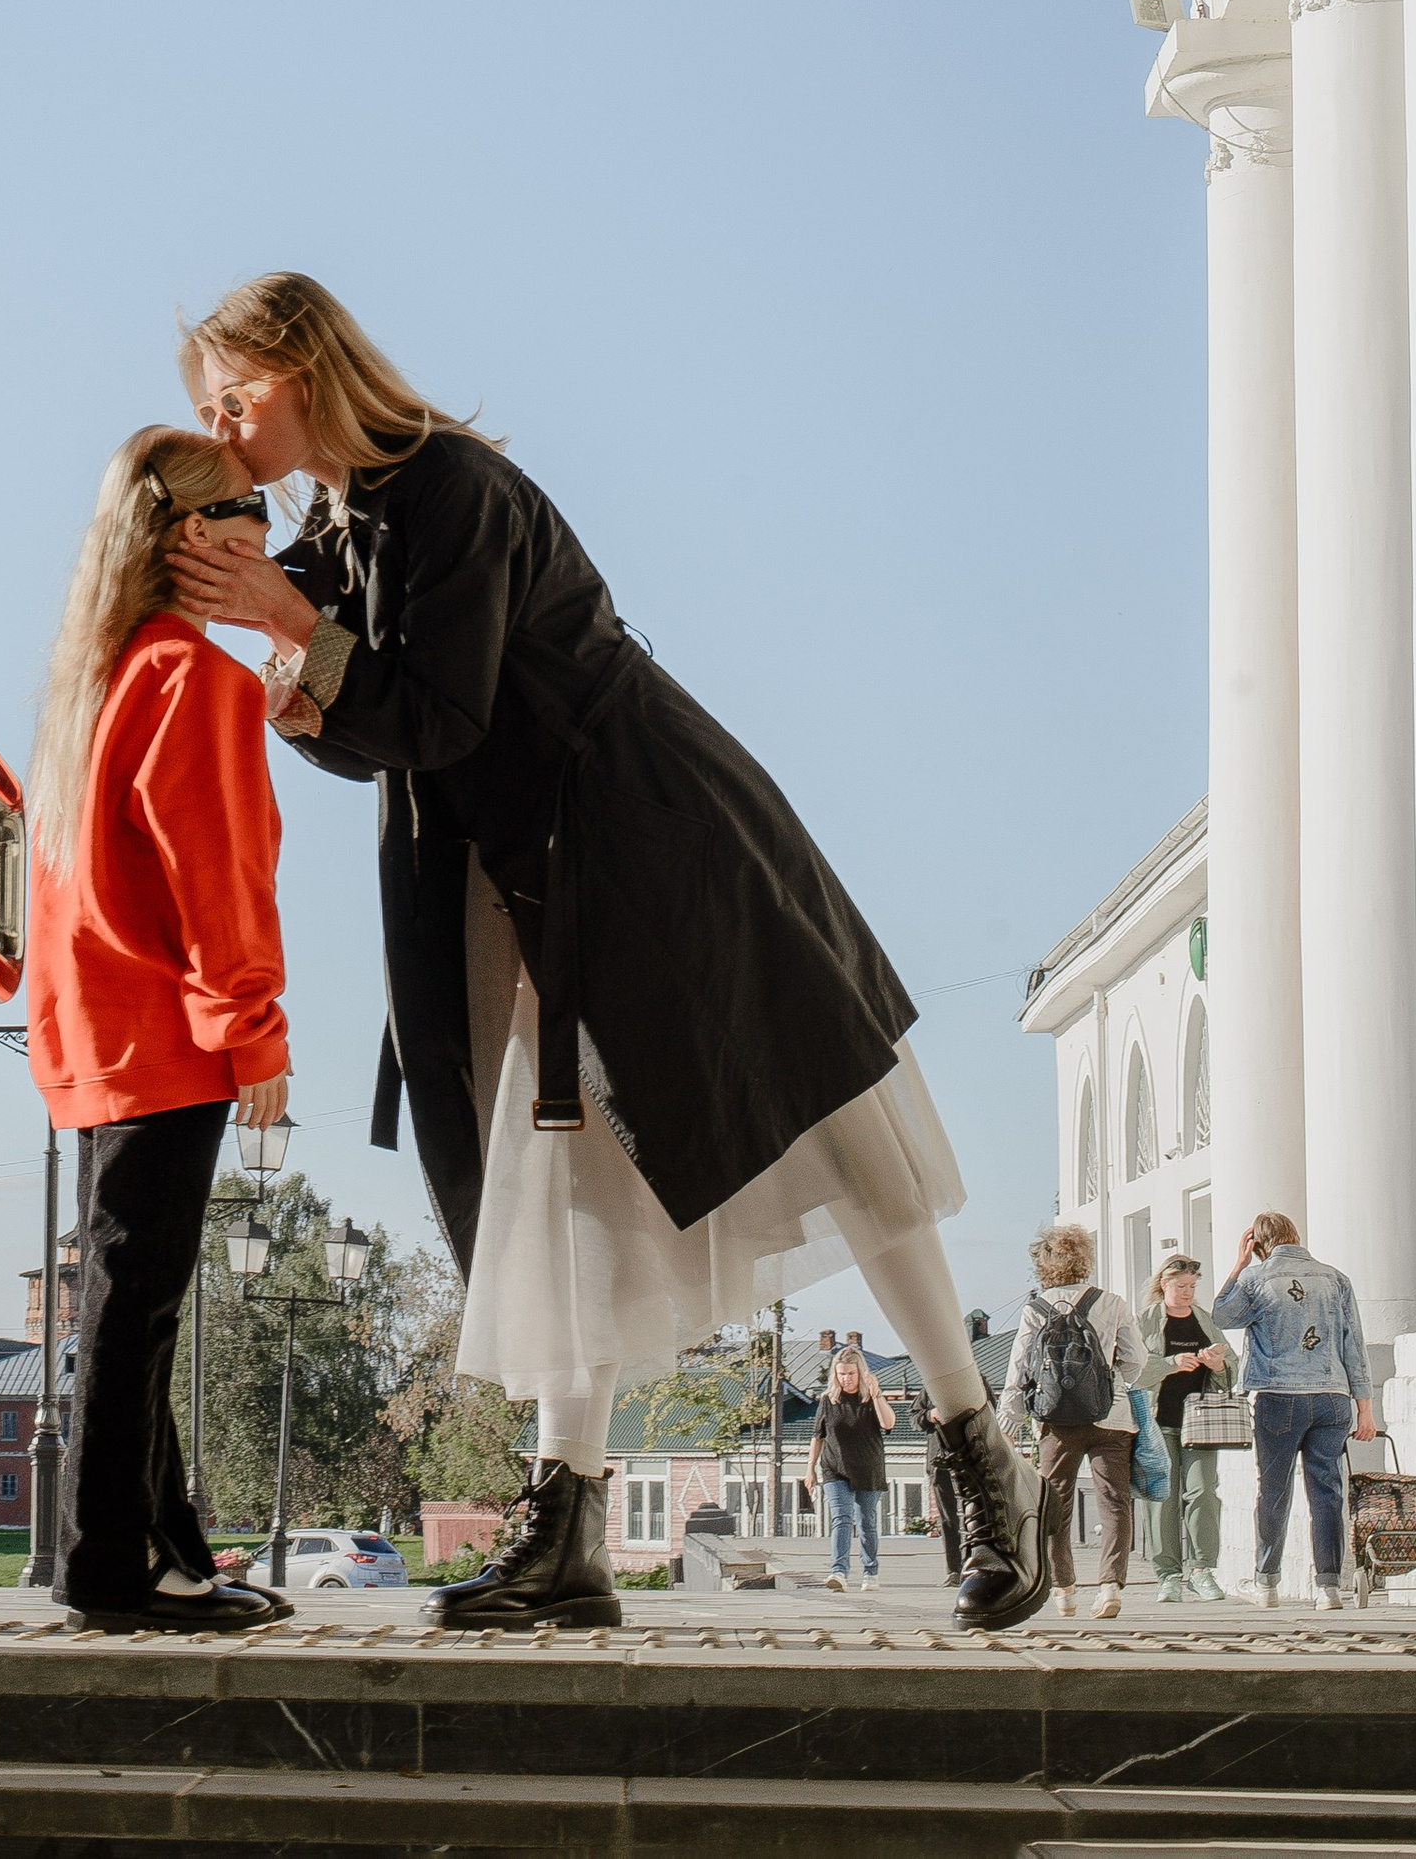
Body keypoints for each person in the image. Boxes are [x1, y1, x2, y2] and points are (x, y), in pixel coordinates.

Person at [164, 272, 1049, 1636]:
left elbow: (441, 711)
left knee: (834, 1128)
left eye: (236, 395)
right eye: (205, 409)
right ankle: (567, 1518)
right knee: (556, 1177)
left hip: (646, 833)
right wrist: (288, 652)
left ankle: (986, 1461)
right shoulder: (347, 521)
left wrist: (288, 624)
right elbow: (379, 727)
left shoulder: (448, 484)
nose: (224, 430)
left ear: (306, 362)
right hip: (521, 865)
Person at [27, 425, 296, 1636]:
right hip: (169, 1032)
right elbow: (219, 877)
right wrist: (256, 1036)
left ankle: (169, 1550)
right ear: (195, 532)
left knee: (128, 1297)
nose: (266, 540)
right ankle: (109, 1572)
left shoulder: (94, 680)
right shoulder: (193, 677)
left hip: (92, 1030)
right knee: (135, 1309)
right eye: (255, 514)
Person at [1211, 1210, 1374, 1611]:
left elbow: (1221, 1316)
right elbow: (1355, 1345)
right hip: (1333, 1397)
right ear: (1296, 1236)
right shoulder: (1335, 1278)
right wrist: (1365, 1409)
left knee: (1274, 1490)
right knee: (1327, 1493)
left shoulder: (1255, 1278)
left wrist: (1238, 1264)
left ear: (1259, 1244)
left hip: (1278, 1397)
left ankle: (1267, 1585)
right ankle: (1329, 1588)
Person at [997, 1222, 1146, 1618]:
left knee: (1055, 1503)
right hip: (1110, 1415)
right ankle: (1110, 1586)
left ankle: (1064, 1589)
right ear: (1085, 1259)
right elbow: (1136, 1360)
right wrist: (1115, 1374)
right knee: (1114, 1502)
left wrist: (1008, 1418)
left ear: (1044, 1265)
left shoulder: (1036, 1308)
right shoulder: (1111, 1302)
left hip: (1056, 1422)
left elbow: (1019, 1368)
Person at [1139, 1252, 1232, 1603]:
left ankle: (1202, 1570)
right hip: (1157, 1423)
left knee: (1203, 1492)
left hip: (1202, 1425)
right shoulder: (1144, 1321)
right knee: (1162, 1500)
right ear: (1164, 1285)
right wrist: (1169, 1363)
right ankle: (1168, 1576)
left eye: (1192, 1287)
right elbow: (1130, 1371)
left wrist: (1219, 1364)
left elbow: (1227, 1377)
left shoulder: (1204, 1321)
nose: (1187, 1293)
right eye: (1181, 1286)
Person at [808, 1343, 895, 1593]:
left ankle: (870, 1572)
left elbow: (889, 1423)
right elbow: (818, 1436)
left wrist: (877, 1395)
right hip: (835, 1468)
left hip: (868, 1467)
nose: (846, 1379)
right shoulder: (828, 1400)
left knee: (866, 1521)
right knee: (841, 1518)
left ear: (861, 1373)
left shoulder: (870, 1398)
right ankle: (839, 1571)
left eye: (851, 1373)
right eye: (841, 1373)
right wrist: (810, 1469)